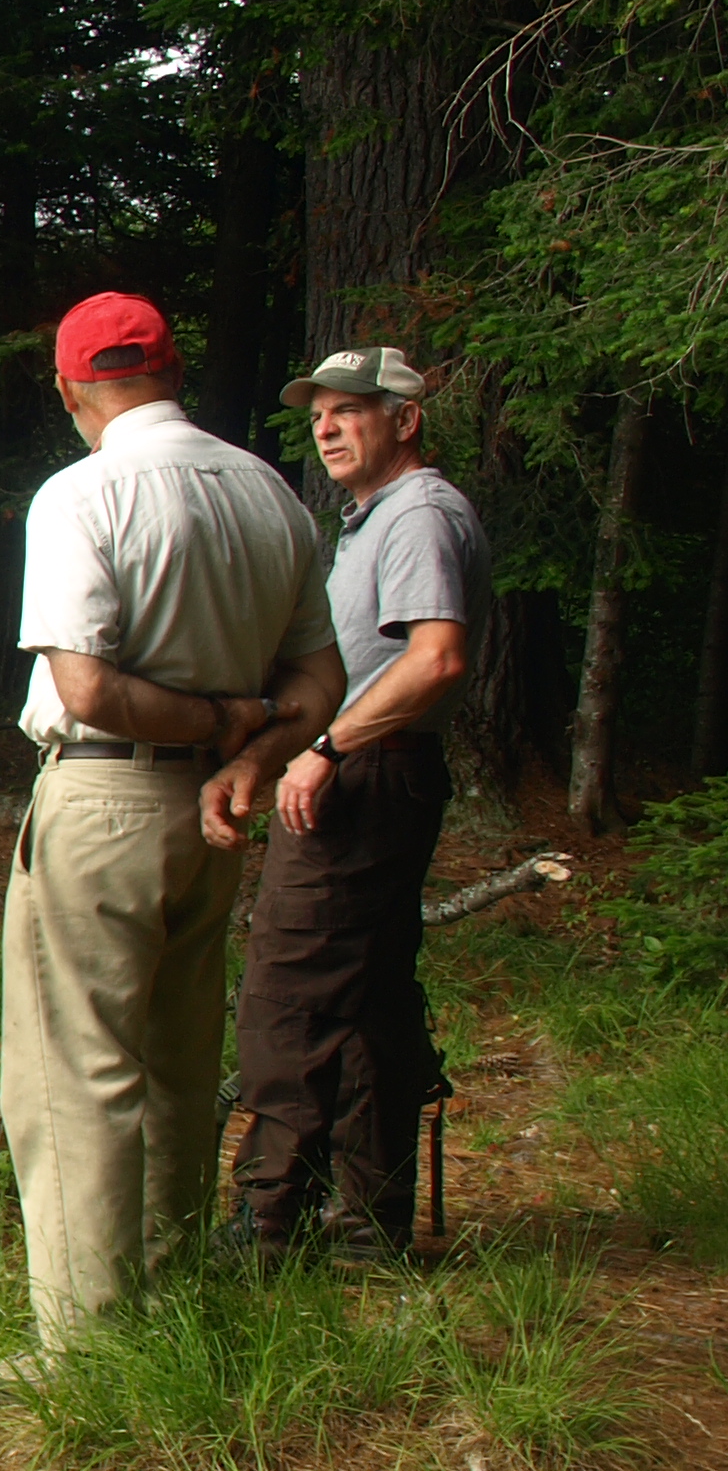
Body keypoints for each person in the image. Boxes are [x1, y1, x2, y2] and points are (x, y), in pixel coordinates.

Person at [0, 293, 344, 1395]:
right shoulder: (269, 493)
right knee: (181, 1064)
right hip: (212, 820)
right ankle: (171, 1300)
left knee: (74, 1070)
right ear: (174, 368)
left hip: (104, 801)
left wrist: (208, 725)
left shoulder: (83, 495)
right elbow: (321, 679)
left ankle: (89, 1354)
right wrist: (250, 747)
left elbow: (83, 683)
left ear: (69, 388)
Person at [227, 348, 494, 1264]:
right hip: (374, 774)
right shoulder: (378, 519)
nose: (327, 429)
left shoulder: (419, 513)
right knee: (368, 996)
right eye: (318, 418)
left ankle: (267, 1225)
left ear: (405, 420)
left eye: (349, 412)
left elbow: (437, 658)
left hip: (364, 778)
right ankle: (366, 1228)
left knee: (290, 989)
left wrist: (329, 748)